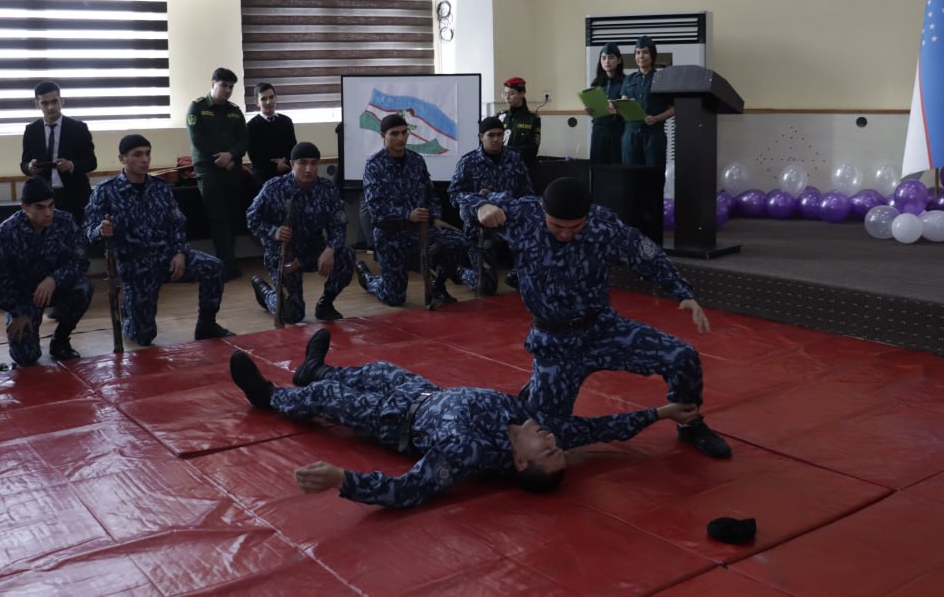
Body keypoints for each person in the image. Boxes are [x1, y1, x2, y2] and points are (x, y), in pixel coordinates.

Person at [228, 329, 692, 509]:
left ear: (520, 463)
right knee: (373, 370)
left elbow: (408, 489)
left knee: (329, 399)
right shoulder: (533, 422)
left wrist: (341, 479)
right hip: (423, 391)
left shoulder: (468, 453)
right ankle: (315, 368)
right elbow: (601, 429)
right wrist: (662, 412)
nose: (553, 440)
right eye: (557, 448)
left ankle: (269, 396)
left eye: (547, 451)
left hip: (395, 420)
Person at [462, 177, 732, 460]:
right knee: (548, 433)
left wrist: (682, 292)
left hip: (602, 329)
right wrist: (480, 206)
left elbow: (646, 254)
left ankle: (690, 424)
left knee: (683, 357)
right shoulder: (522, 215)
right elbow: (463, 197)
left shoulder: (603, 226)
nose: (565, 235)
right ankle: (538, 389)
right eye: (557, 226)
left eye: (575, 227)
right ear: (542, 210)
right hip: (555, 344)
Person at [83, 134, 232, 346]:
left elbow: (177, 224)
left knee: (214, 267)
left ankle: (206, 325)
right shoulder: (105, 191)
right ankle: (129, 315)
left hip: (167, 257)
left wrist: (179, 252)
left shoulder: (160, 187)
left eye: (147, 154)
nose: (145, 160)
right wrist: (100, 230)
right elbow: (87, 232)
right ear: (122, 159)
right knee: (143, 337)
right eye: (137, 155)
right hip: (137, 265)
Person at [357, 113, 480, 306]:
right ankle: (368, 279)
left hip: (420, 230)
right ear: (383, 136)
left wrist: (435, 217)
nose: (401, 138)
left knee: (458, 241)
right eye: (394, 133)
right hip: (391, 235)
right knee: (394, 298)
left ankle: (438, 285)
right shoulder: (374, 166)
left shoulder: (416, 161)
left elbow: (431, 195)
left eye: (404, 132)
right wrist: (407, 215)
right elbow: (376, 208)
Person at [0, 177, 94, 367]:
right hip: (23, 298)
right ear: (25, 207)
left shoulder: (65, 221)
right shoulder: (6, 232)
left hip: (55, 288)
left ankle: (61, 340)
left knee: (83, 288)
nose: (48, 213)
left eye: (51, 206)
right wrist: (18, 312)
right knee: (26, 358)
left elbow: (80, 260)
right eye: (40, 207)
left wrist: (54, 279)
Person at [246, 142, 354, 323]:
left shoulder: (327, 189)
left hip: (313, 250)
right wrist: (274, 231)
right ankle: (265, 292)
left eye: (313, 163)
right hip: (284, 254)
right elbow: (251, 218)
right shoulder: (274, 188)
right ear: (292, 163)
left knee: (346, 255)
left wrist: (331, 249)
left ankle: (326, 304)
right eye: (303, 163)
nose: (308, 169)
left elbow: (338, 226)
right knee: (292, 315)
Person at [447, 116, 534, 293]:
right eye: (491, 135)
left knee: (529, 275)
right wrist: (477, 200)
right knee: (486, 287)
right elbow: (454, 194)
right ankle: (457, 271)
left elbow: (527, 192)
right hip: (480, 228)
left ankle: (517, 274)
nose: (496, 139)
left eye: (500, 135)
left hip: (512, 224)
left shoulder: (514, 158)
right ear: (481, 137)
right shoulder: (469, 162)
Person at [186, 67, 249, 281]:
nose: (227, 90)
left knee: (232, 216)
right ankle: (225, 263)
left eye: (231, 87)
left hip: (232, 169)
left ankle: (230, 260)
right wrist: (221, 158)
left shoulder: (235, 111)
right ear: (213, 84)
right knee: (217, 217)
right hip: (209, 171)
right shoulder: (197, 107)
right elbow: (198, 139)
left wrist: (230, 156)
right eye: (224, 85)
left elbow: (244, 140)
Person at [20, 81, 98, 224]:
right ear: (37, 104)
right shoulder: (31, 130)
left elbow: (91, 162)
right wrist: (30, 167)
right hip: (44, 197)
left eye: (54, 101)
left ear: (62, 101)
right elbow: (24, 163)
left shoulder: (78, 128)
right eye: (45, 103)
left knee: (78, 235)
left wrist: (71, 165)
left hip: (75, 196)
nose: (50, 107)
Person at [618, 36, 674, 169]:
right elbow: (623, 104)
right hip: (630, 134)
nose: (641, 56)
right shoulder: (629, 79)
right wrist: (616, 108)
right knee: (631, 174)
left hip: (653, 134)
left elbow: (673, 109)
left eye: (645, 52)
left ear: (652, 55)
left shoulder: (662, 79)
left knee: (653, 174)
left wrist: (657, 118)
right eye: (638, 53)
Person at [246, 82, 298, 189]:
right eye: (263, 99)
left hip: (286, 172)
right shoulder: (251, 126)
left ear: (276, 98)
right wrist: (276, 167)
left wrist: (284, 162)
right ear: (257, 102)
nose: (268, 102)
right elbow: (254, 157)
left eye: (271, 97)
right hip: (264, 177)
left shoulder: (286, 121)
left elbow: (293, 147)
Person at [587, 43, 627, 165]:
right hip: (599, 130)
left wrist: (617, 108)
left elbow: (628, 109)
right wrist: (590, 110)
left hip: (618, 130)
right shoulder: (596, 84)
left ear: (619, 60)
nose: (607, 61)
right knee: (598, 167)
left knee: (617, 165)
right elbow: (595, 109)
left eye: (611, 57)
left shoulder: (626, 82)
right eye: (603, 58)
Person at [498, 76, 541, 172]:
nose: (507, 97)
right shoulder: (500, 117)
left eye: (511, 94)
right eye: (505, 94)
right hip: (501, 167)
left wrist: (507, 153)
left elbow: (532, 149)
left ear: (522, 93)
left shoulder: (532, 119)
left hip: (521, 168)